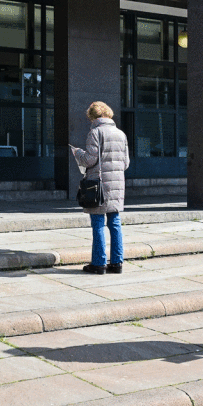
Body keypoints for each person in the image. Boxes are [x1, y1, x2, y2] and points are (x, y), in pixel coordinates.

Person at [71, 101, 130, 275]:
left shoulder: (95, 133)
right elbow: (125, 163)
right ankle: (117, 263)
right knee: (115, 223)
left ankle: (98, 263)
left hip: (99, 185)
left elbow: (89, 160)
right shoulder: (121, 134)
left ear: (93, 116)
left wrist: (78, 153)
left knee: (97, 223)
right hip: (117, 184)